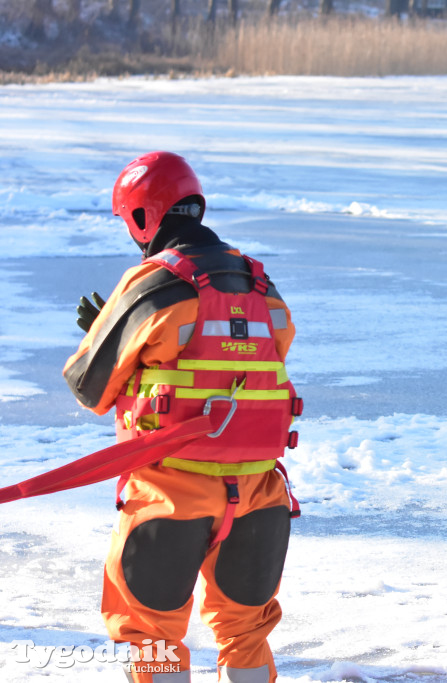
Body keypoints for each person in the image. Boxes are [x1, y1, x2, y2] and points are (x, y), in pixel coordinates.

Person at [64, 151, 302, 683]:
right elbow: (255, 367)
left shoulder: (152, 283)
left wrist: (105, 331)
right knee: (246, 634)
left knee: (153, 637)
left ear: (144, 217)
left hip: (170, 499)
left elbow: (89, 388)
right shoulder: (264, 290)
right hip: (257, 500)